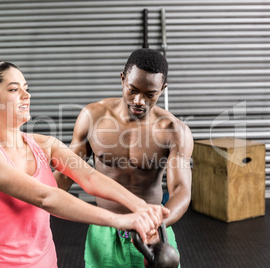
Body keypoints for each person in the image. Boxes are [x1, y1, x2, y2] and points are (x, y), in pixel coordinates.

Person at [0, 59, 170, 268]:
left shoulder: (44, 144)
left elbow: (90, 177)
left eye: (26, 88)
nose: (26, 95)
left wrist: (140, 206)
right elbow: (46, 197)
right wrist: (122, 221)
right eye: (14, 90)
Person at [55, 48, 194, 267]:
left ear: (162, 90)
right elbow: (66, 174)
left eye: (150, 95)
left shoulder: (174, 130)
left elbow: (181, 190)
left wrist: (157, 225)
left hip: (153, 232)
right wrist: (28, 203)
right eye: (133, 90)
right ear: (122, 79)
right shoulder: (93, 117)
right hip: (105, 229)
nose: (139, 101)